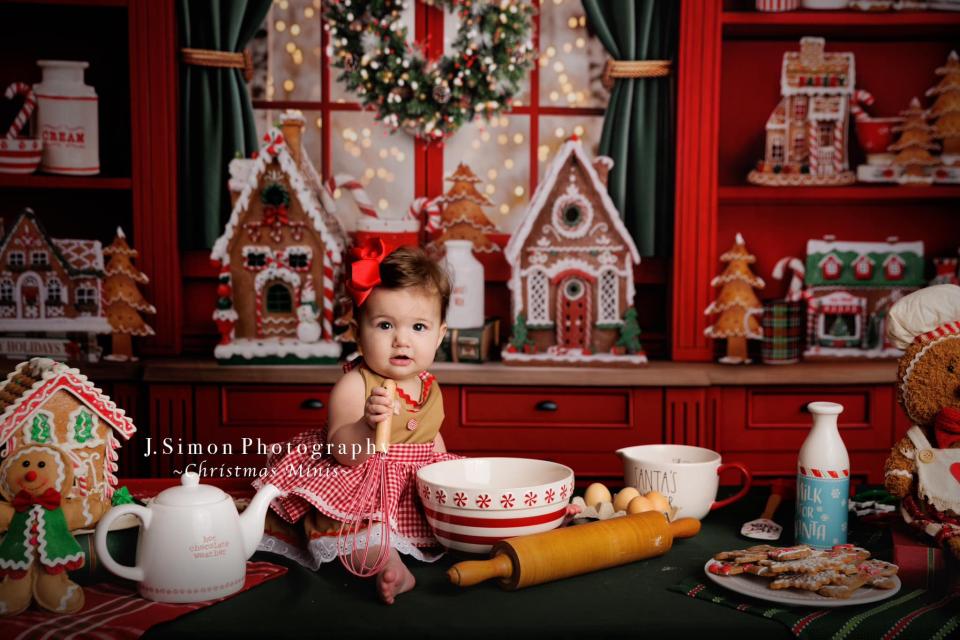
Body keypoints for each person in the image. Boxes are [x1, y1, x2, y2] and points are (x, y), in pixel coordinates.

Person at [255, 239, 461, 604]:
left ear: (440, 335)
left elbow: (432, 442)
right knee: (363, 533)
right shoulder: (355, 385)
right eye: (385, 325)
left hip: (407, 493)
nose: (401, 340)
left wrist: (448, 481)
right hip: (360, 487)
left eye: (418, 327)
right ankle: (389, 566)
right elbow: (342, 451)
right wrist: (366, 426)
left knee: (459, 522)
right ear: (358, 331)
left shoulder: (429, 387)